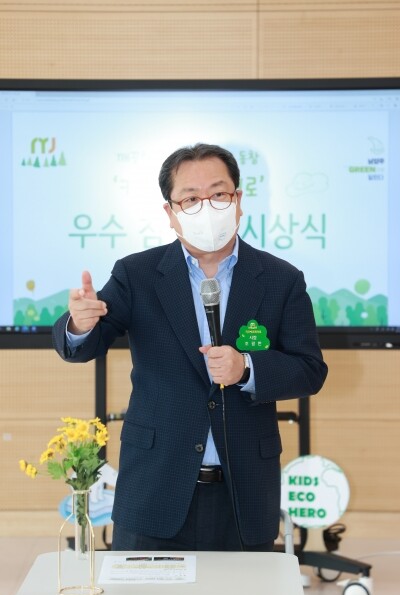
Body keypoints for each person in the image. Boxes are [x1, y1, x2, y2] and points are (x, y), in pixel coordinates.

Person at [53, 142, 328, 552]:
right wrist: (80, 323)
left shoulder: (280, 279)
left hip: (245, 494)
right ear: (170, 212)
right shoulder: (137, 274)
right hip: (154, 488)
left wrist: (246, 368)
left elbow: (310, 370)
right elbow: (82, 346)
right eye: (191, 199)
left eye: (218, 194)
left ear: (238, 201)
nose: (207, 208)